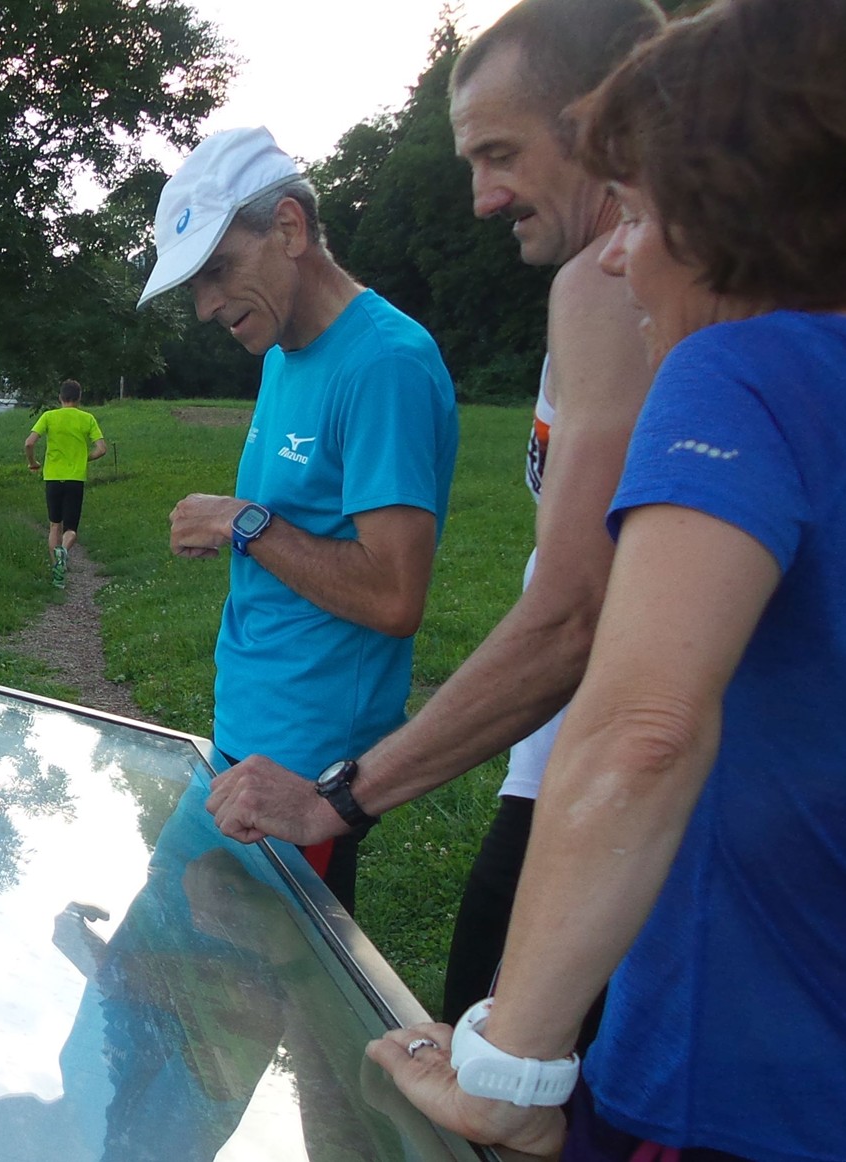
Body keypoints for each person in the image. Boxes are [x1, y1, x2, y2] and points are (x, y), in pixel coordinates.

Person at [370, 3, 846, 1158]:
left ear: (731, 214)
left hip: (745, 1088)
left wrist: (508, 1068)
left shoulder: (739, 369)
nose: (612, 254)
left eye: (636, 213)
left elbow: (642, 728)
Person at [202, 0, 663, 1034]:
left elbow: (572, 614)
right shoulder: (603, 287)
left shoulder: (605, 288)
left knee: (484, 1072)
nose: (481, 197)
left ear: (607, 120)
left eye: (500, 153)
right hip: (562, 765)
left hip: (620, 780)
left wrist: (342, 794)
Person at [140, 126, 459, 913]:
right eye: (194, 285)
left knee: (254, 976)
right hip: (249, 730)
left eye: (218, 271)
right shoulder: (285, 351)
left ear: (288, 228)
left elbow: (395, 596)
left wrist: (242, 523)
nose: (206, 307)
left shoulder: (384, 363)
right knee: (193, 962)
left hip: (305, 768)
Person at [23, 379, 107, 589]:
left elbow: (29, 443)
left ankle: (57, 573)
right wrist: (83, 458)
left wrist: (32, 462)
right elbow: (102, 449)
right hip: (75, 479)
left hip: (52, 477)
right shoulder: (87, 419)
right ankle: (64, 551)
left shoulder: (49, 416)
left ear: (60, 397)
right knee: (71, 529)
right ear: (79, 398)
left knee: (54, 525)